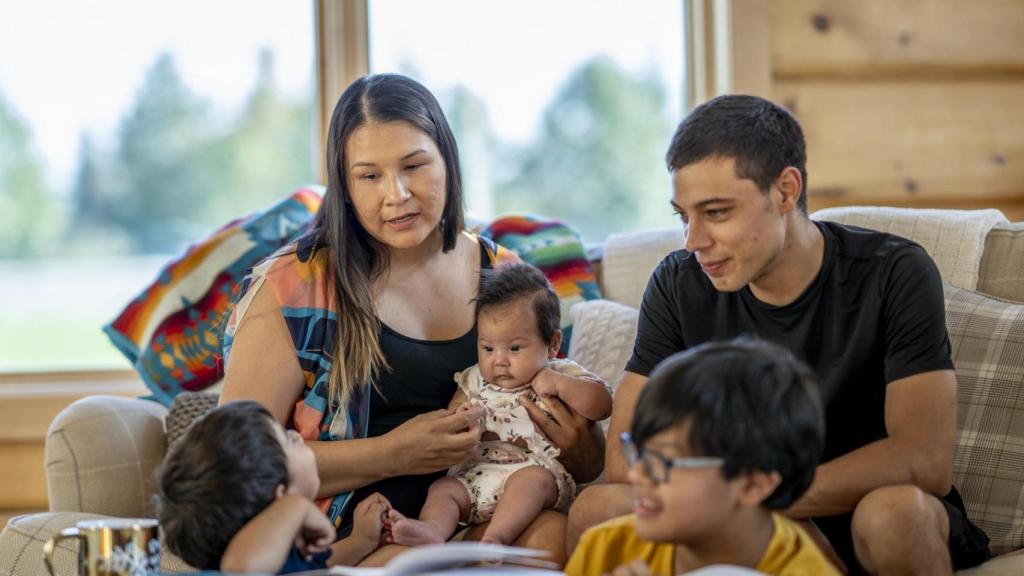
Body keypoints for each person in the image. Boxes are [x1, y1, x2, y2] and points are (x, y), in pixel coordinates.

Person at [568, 94, 989, 575]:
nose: (694, 241)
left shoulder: (895, 272)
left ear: (786, 191)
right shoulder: (679, 282)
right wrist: (739, 507)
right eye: (683, 216)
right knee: (596, 510)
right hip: (728, 509)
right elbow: (626, 460)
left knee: (896, 514)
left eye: (717, 212)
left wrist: (771, 501)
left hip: (847, 504)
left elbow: (924, 459)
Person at [218, 73, 603, 566]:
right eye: (369, 176)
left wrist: (580, 444)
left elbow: (581, 448)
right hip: (361, 525)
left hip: (489, 502)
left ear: (447, 159)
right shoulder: (294, 286)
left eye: (415, 165)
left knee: (551, 539)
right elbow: (237, 465)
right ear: (345, 185)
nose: (396, 194)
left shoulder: (504, 276)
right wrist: (393, 453)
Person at [566, 339, 839, 576]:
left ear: (751, 485)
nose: (636, 473)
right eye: (639, 453)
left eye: (663, 461)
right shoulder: (606, 548)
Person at [386, 263, 612, 546]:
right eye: (488, 348)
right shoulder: (475, 379)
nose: (499, 360)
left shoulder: (560, 373)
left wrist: (559, 385)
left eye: (515, 348)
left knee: (532, 481)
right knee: (443, 489)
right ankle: (432, 531)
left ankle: (496, 537)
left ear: (552, 343)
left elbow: (601, 405)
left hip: (533, 471)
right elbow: (452, 413)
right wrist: (462, 416)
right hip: (476, 476)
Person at [156, 401, 391, 573]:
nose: (298, 436)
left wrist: (361, 542)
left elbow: (314, 570)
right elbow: (241, 570)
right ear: (280, 495)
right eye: (288, 441)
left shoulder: (278, 553)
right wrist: (296, 505)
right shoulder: (243, 562)